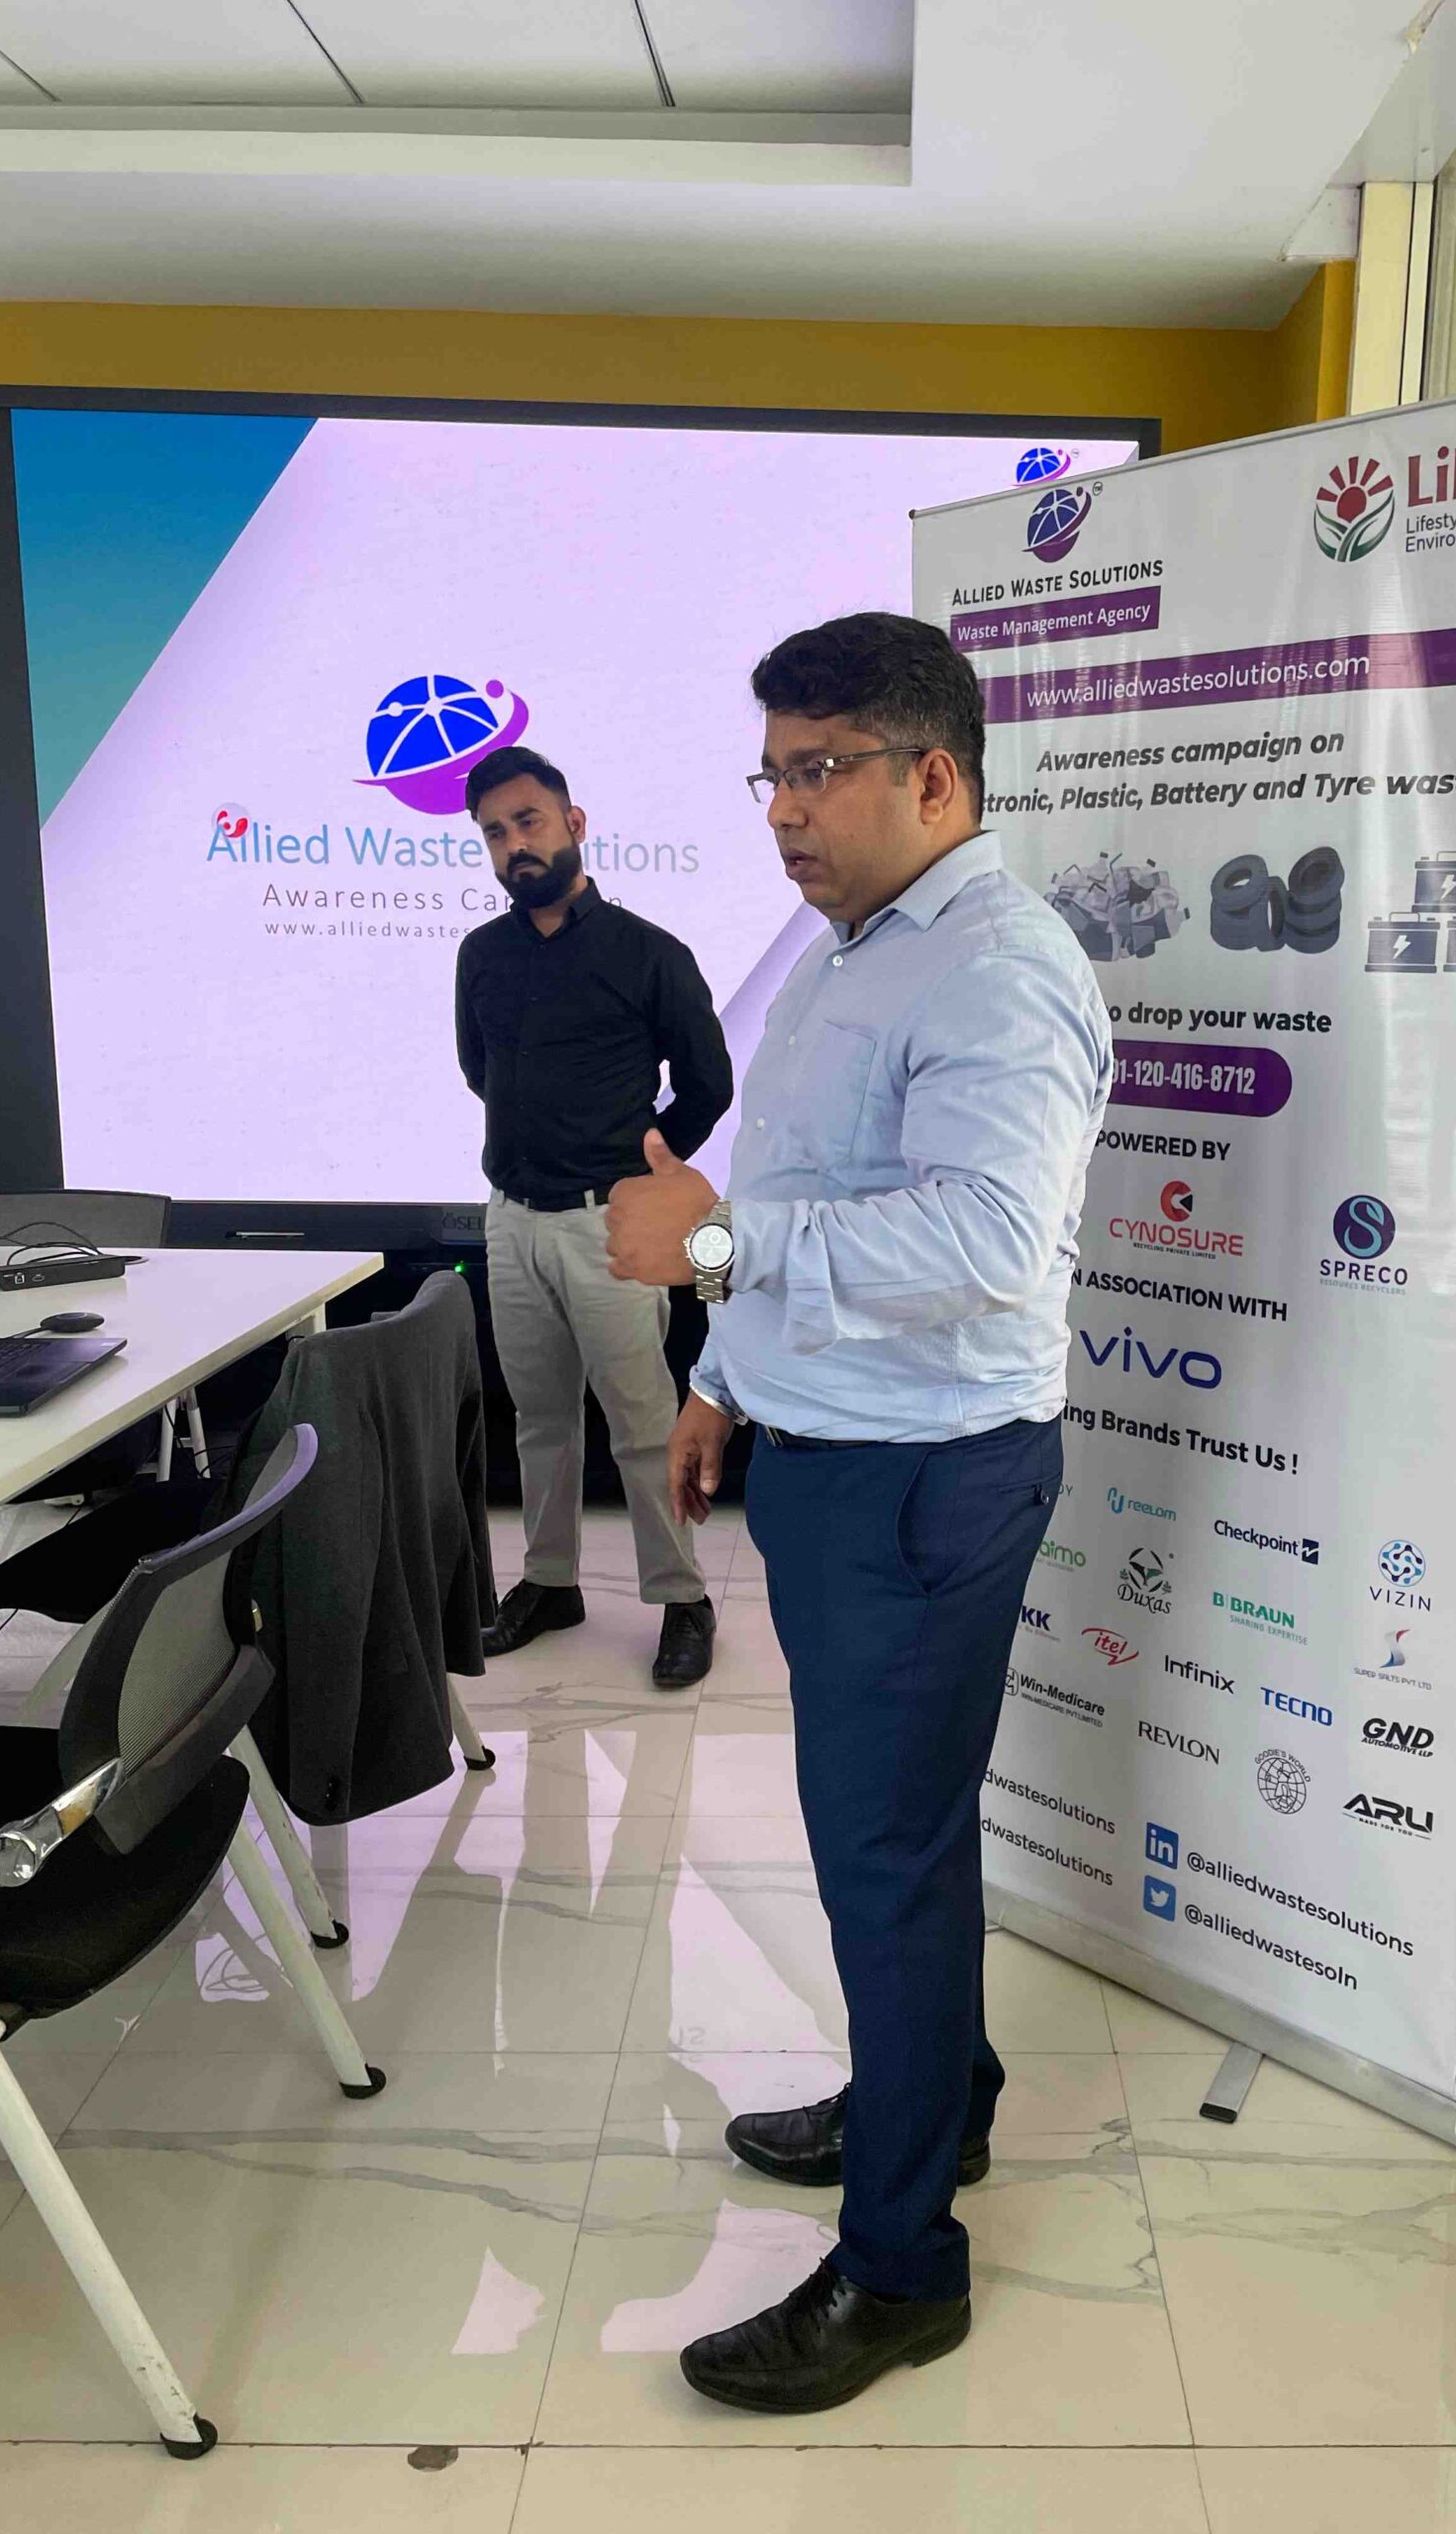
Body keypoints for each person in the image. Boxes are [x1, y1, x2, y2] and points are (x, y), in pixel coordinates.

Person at [604, 612, 1113, 2409]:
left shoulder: (996, 969)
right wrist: (725, 1379)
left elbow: (987, 1244)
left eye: (819, 771)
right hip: (833, 1455)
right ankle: (936, 2100)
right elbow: (815, 1183)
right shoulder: (853, 951)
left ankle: (903, 2273)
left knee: (881, 1859)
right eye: (770, 774)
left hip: (919, 1480)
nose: (783, 810)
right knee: (903, 1837)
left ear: (935, 777)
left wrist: (714, 1248)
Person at [456, 743, 729, 1690]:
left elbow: (707, 1084)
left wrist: (639, 1171)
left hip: (606, 1226)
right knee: (538, 1420)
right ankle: (549, 1582)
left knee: (644, 1423)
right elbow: (480, 1072)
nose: (514, 845)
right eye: (495, 832)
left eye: (529, 821)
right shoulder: (481, 955)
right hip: (512, 1221)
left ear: (573, 824)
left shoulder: (648, 953)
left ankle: (683, 1597)